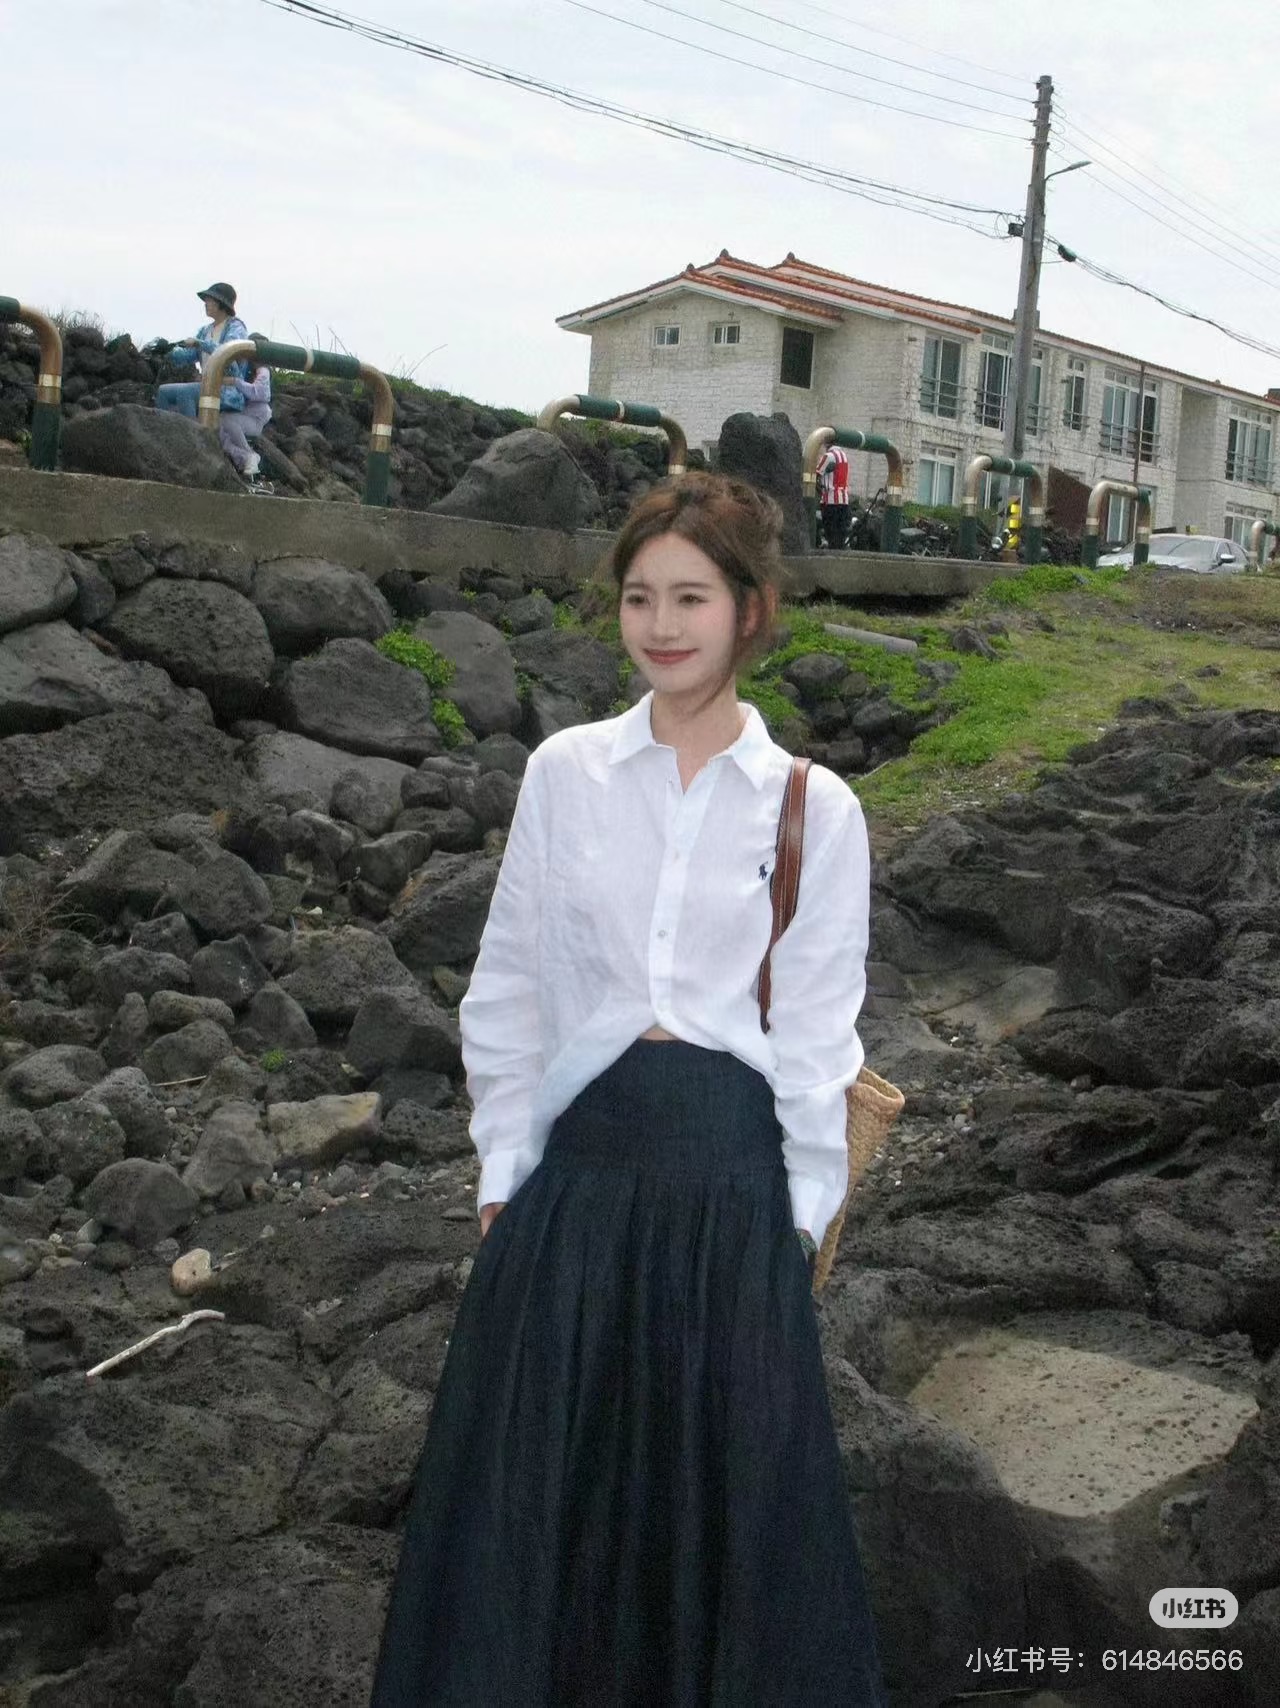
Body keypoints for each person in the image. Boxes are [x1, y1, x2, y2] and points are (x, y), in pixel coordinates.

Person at [369, 471, 888, 1708]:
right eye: (639, 596)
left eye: (690, 597)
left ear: (749, 609)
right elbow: (509, 986)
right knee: (532, 1514)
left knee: (725, 1523)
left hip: (730, 1191)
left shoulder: (813, 806)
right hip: (577, 1186)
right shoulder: (566, 772)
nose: (660, 624)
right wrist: (502, 1172)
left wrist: (798, 1224)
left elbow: (816, 1036)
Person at [154, 282, 248, 419]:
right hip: (206, 385)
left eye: (209, 300)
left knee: (185, 393)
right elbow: (189, 356)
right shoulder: (205, 331)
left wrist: (199, 343)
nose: (205, 304)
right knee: (163, 392)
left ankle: (193, 432)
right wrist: (168, 351)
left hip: (229, 390)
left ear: (221, 303)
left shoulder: (236, 327)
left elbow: (226, 351)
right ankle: (166, 429)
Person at [218, 335, 272, 487]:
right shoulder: (244, 368)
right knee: (219, 431)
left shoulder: (263, 371)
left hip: (255, 418)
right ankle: (245, 459)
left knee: (226, 420)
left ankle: (249, 456)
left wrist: (236, 382)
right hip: (243, 414)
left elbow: (260, 393)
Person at [816, 441, 852, 548]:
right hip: (844, 500)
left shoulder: (828, 456)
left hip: (830, 500)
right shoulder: (844, 456)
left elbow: (816, 473)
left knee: (831, 532)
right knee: (841, 533)